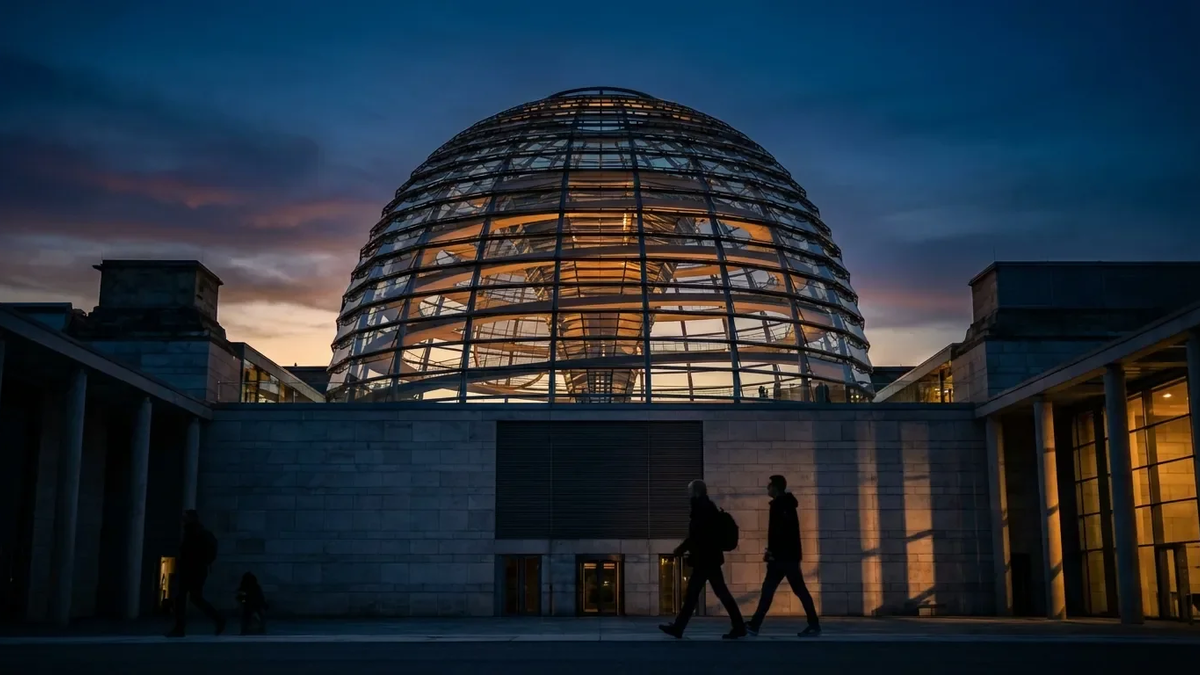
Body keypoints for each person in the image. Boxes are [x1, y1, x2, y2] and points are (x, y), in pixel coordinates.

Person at [659, 480, 746, 640]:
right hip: (709, 558)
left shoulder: (702, 508)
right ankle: (738, 625)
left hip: (705, 559)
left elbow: (697, 535)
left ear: (696, 492)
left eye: (690, 490)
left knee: (696, 595)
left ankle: (679, 628)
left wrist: (681, 549)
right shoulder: (705, 507)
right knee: (709, 594)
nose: (688, 494)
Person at [746, 475, 820, 637]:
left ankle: (755, 624)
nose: (767, 488)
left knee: (776, 590)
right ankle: (755, 624)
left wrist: (772, 552)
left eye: (769, 486)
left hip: (783, 558)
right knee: (779, 590)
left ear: (775, 487)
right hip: (786, 556)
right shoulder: (784, 504)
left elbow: (781, 533)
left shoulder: (781, 505)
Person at [166, 510, 226, 637]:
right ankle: (217, 619)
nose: (183, 519)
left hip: (193, 570)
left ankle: (180, 628)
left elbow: (190, 553)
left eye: (186, 517)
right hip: (194, 569)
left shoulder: (195, 533)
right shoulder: (196, 532)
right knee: (191, 598)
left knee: (186, 598)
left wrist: (199, 562)